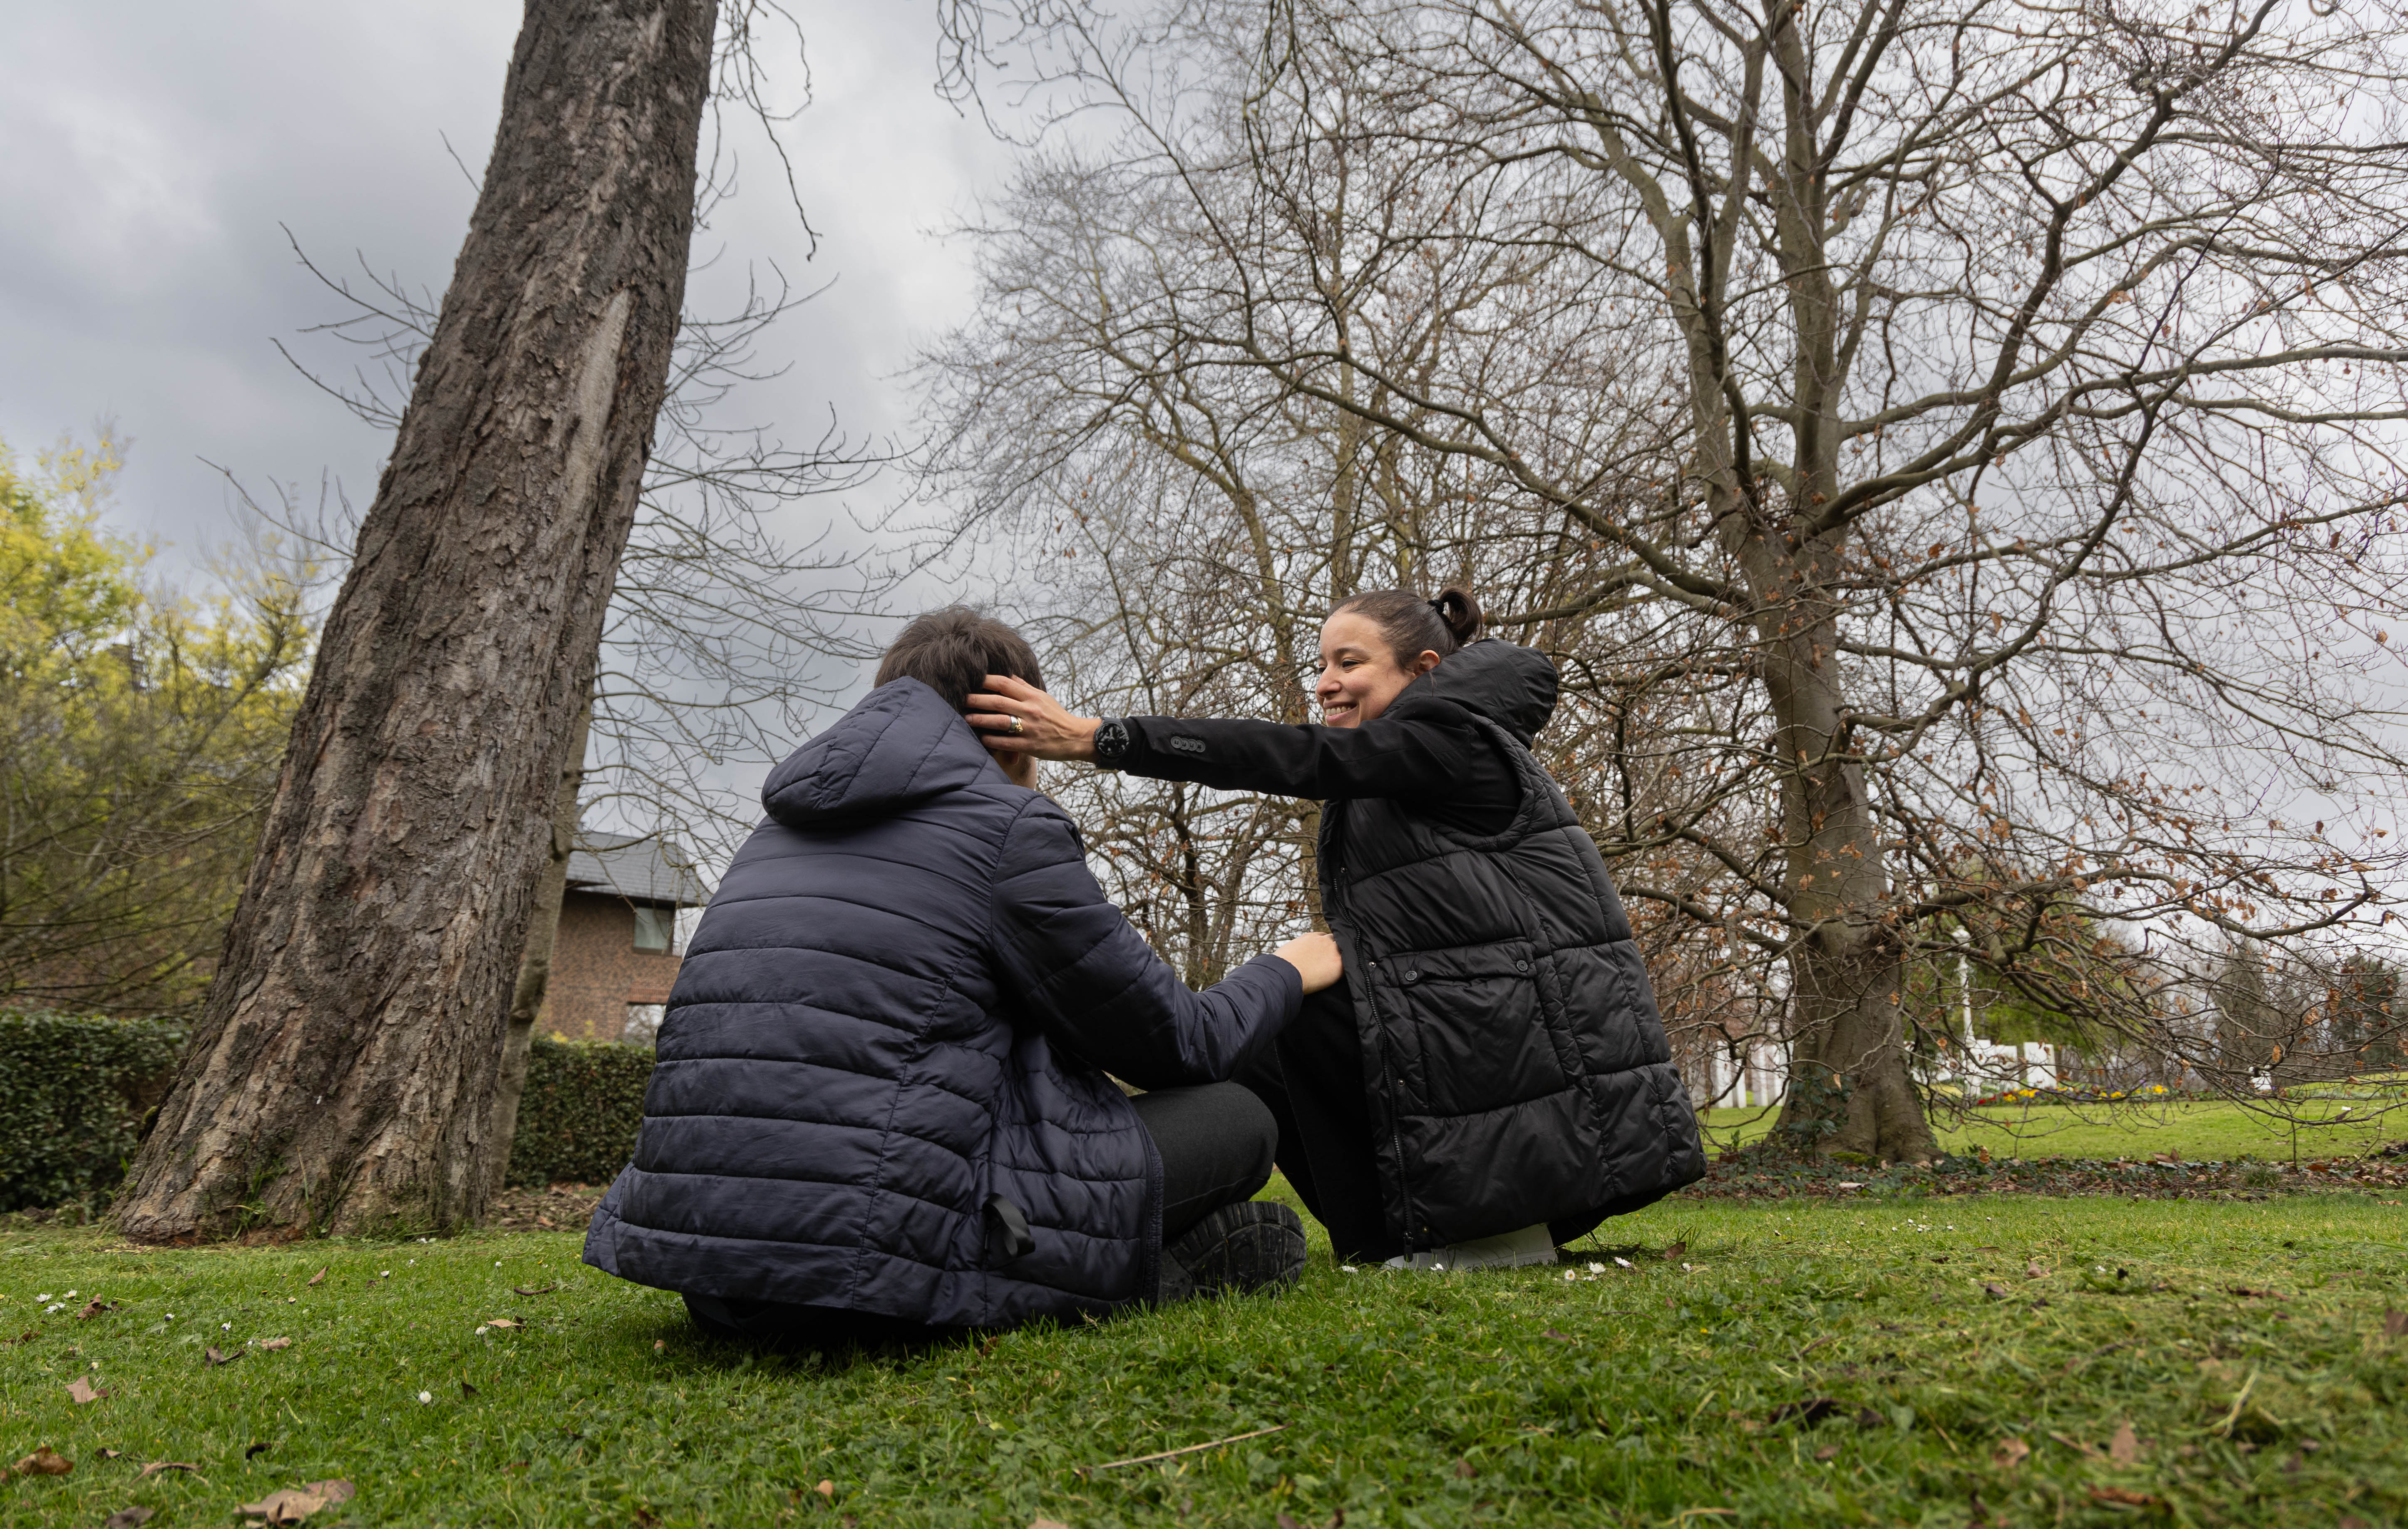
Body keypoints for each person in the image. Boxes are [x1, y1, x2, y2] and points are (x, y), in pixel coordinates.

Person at [583, 608, 1343, 1342]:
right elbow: (1181, 1043)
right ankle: (1160, 1274)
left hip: (711, 1276)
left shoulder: (773, 835)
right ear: (1018, 721)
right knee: (1238, 1118)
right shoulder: (1006, 828)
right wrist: (1284, 969)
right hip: (865, 1273)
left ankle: (1152, 1257)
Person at [971, 587, 1707, 1270]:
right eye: (1321, 665)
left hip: (1539, 1056)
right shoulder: (1402, 765)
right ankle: (1387, 1243)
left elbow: (1296, 755)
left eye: (1348, 663)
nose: (1325, 683)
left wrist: (1103, 738)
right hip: (1470, 1020)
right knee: (1260, 1028)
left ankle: (1500, 1234)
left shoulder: (1454, 738)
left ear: (1423, 670)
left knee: (1293, 1008)